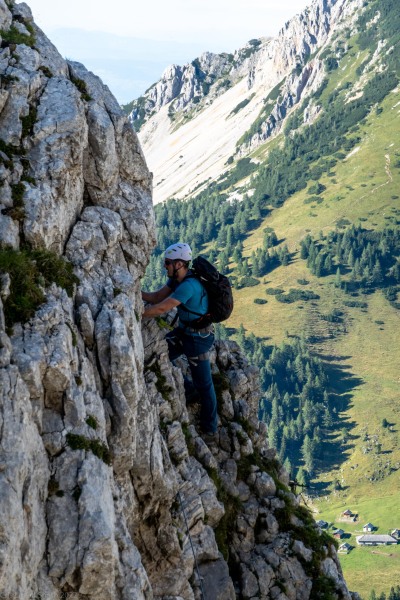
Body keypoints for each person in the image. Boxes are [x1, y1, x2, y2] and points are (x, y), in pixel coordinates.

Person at [142, 242, 217, 436]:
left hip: (198, 339)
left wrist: (136, 314)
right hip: (185, 333)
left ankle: (210, 429)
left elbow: (161, 308)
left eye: (167, 262)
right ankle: (188, 388)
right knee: (160, 355)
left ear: (179, 264)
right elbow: (157, 297)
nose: (164, 266)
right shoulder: (176, 280)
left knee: (205, 386)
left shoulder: (189, 286)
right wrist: (135, 294)